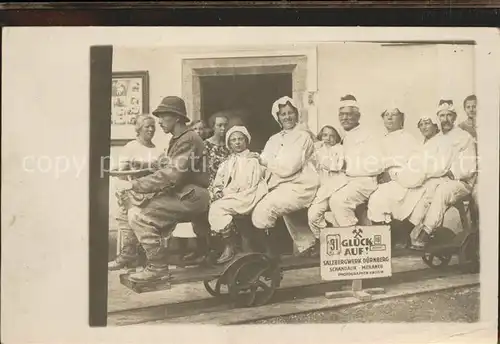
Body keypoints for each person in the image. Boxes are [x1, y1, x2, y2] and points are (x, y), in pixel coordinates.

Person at [113, 96, 210, 282]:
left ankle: (157, 267)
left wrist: (134, 184)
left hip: (191, 196)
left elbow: (172, 175)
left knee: (140, 217)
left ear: (177, 118)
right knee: (135, 210)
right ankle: (144, 259)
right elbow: (171, 169)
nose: (158, 122)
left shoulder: (188, 139)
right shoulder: (180, 139)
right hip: (185, 193)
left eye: (163, 116)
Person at [250, 96, 320, 256]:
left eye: (291, 113)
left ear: (297, 114)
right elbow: (263, 163)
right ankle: (309, 247)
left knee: (264, 210)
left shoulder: (303, 136)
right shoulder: (274, 139)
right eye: (283, 114)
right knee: (253, 203)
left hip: (301, 186)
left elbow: (289, 167)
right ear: (277, 117)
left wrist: (266, 162)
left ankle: (271, 257)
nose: (287, 117)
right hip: (282, 185)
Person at [409, 100, 477, 249]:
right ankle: (413, 228)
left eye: (448, 115)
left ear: (454, 117)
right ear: (438, 118)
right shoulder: (438, 138)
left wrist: (450, 173)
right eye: (441, 116)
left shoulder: (464, 137)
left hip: (462, 182)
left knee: (442, 191)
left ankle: (426, 232)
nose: (445, 119)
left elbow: (469, 167)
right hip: (442, 178)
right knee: (424, 189)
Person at [108, 115, 165, 271]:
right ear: (138, 129)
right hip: (134, 188)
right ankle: (129, 254)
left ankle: (129, 255)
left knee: (133, 212)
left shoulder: (158, 150)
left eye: (153, 126)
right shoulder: (131, 147)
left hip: (153, 192)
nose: (151, 129)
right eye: (147, 126)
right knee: (125, 212)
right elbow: (121, 172)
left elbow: (163, 173)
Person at [208, 126, 268, 263]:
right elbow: (219, 181)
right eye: (233, 140)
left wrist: (226, 192)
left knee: (217, 208)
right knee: (215, 205)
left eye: (240, 139)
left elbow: (248, 183)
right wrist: (217, 191)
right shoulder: (228, 162)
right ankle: (231, 244)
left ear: (246, 141)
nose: (237, 142)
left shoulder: (252, 159)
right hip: (234, 195)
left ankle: (231, 245)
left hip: (249, 194)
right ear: (229, 144)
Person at [327, 95, 384, 228]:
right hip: (344, 181)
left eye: (349, 114)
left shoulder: (368, 135)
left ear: (358, 116)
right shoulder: (341, 136)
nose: (344, 118)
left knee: (338, 201)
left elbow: (377, 165)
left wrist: (347, 167)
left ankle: (353, 237)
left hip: (364, 181)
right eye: (341, 114)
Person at [367, 107, 421, 225]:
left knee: (378, 200)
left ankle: (390, 233)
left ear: (401, 118)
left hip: (403, 181)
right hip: (383, 180)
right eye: (386, 115)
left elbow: (415, 165)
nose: (390, 117)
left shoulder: (408, 138)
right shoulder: (381, 140)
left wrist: (393, 175)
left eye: (394, 114)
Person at [307, 125, 347, 238]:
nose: (328, 138)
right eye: (325, 135)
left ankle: (343, 238)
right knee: (313, 215)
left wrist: (323, 162)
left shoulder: (339, 149)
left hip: (339, 185)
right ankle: (324, 238)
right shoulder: (318, 150)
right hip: (323, 189)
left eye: (332, 136)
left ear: (337, 138)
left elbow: (337, 166)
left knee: (339, 212)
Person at [204, 112, 231, 200]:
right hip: (209, 185)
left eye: (225, 125)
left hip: (226, 184)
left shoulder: (229, 146)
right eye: (219, 125)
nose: (223, 128)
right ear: (213, 127)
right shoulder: (205, 145)